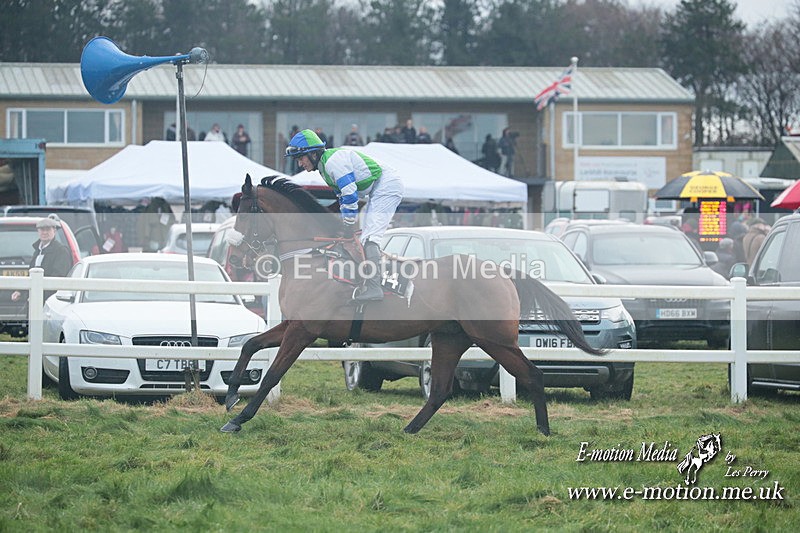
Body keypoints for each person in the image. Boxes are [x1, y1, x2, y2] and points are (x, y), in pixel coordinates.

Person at [286, 128, 404, 302]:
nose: (300, 164)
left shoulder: (333, 163)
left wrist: (348, 224)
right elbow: (342, 199)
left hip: (387, 185)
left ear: (312, 153)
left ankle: (375, 287)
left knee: (370, 238)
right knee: (364, 238)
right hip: (378, 187)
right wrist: (345, 224)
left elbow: (350, 195)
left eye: (301, 158)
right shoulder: (324, 168)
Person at [11, 216, 73, 303]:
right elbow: (31, 275)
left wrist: (38, 295)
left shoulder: (61, 251)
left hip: (52, 302)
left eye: (48, 229)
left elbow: (58, 277)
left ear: (54, 231)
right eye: (42, 229)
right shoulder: (37, 251)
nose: (44, 232)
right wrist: (20, 291)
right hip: (34, 299)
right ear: (38, 231)